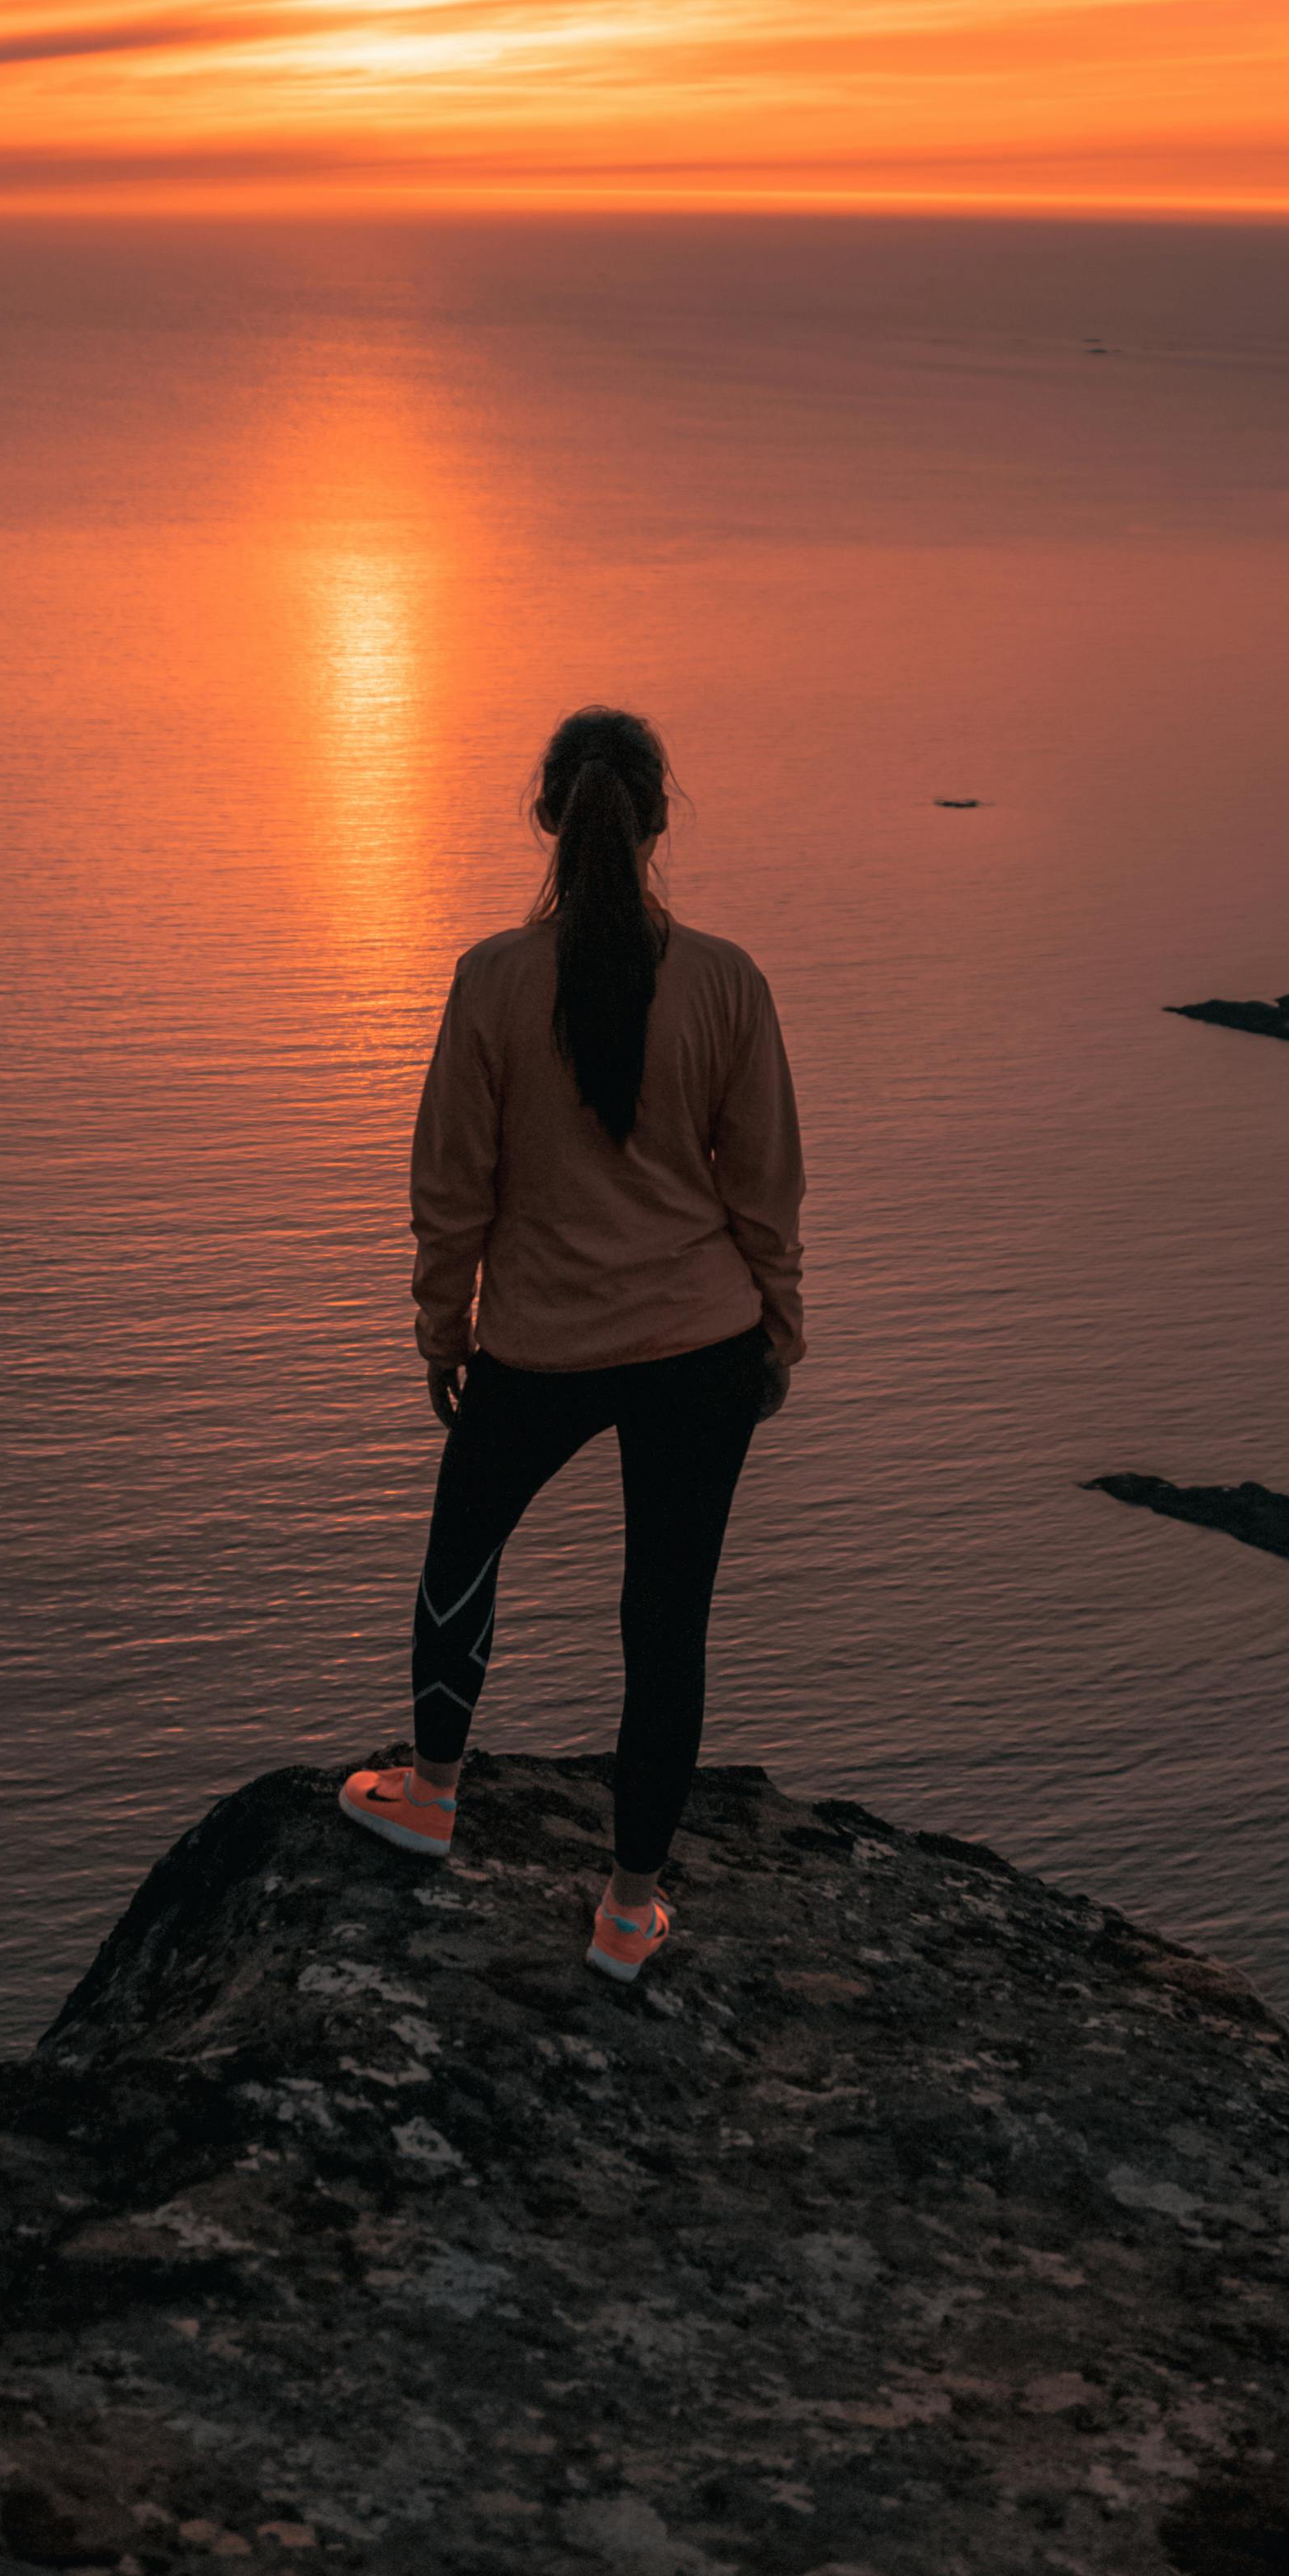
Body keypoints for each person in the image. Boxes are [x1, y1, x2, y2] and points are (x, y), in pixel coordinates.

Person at [338, 705, 805, 1984]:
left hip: (536, 1344)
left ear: (548, 816)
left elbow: (452, 1183)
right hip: (701, 1341)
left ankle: (431, 1794)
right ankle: (626, 1910)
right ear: (656, 820)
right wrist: (781, 1326)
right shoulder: (725, 980)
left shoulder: (492, 978)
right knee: (666, 1623)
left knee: (461, 1556)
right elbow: (764, 1184)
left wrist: (444, 1326)